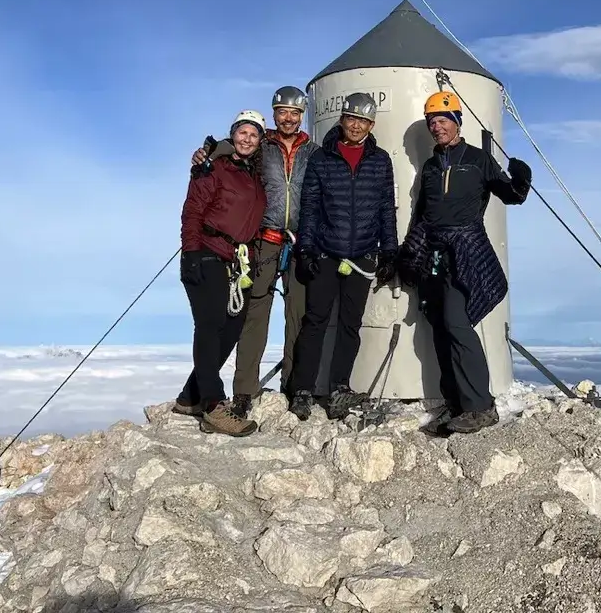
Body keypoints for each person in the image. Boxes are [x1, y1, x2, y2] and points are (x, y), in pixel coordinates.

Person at [398, 90, 532, 435]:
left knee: (457, 325)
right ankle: (457, 405)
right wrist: (408, 254)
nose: (436, 127)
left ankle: (480, 406)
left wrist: (521, 180)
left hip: (466, 250)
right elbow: (422, 214)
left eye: (442, 120)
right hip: (433, 252)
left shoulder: (478, 159)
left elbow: (511, 195)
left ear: (457, 122)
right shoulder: (430, 166)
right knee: (440, 330)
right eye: (432, 122)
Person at [189, 86, 319, 418]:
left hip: (301, 241)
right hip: (263, 240)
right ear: (274, 113)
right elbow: (232, 150)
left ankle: (294, 386)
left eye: (295, 113)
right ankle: (245, 390)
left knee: (298, 314)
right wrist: (209, 150)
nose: (288, 118)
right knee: (253, 316)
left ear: (302, 115)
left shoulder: (314, 152)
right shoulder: (264, 148)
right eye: (282, 112)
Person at [288, 92, 399, 420]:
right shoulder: (322, 159)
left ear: (371, 125)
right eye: (351, 118)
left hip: (363, 255)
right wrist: (305, 248)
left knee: (350, 325)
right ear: (342, 119)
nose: (356, 125)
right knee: (315, 323)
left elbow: (385, 210)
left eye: (363, 121)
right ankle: (303, 390)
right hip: (325, 254)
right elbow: (309, 207)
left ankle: (339, 388)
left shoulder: (380, 161)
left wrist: (389, 251)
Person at [173, 109, 268, 437]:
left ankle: (190, 397)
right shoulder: (214, 166)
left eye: (254, 135)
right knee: (211, 324)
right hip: (207, 252)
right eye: (243, 132)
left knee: (232, 327)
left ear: (259, 142)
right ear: (233, 134)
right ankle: (213, 405)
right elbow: (193, 210)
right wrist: (191, 254)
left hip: (235, 261)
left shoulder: (252, 176)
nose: (247, 138)